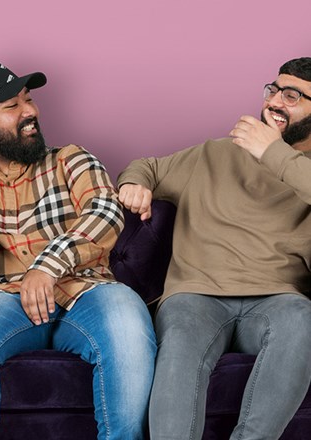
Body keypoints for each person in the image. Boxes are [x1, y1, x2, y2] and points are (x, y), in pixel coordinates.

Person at [117, 57, 311, 440]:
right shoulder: (216, 153)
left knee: (302, 320)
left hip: (278, 300)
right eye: (273, 90)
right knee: (181, 341)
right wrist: (134, 183)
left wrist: (272, 152)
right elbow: (147, 167)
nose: (274, 102)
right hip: (196, 295)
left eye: (292, 96)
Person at [0, 59, 156, 440]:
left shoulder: (69, 158)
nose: (30, 112)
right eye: (12, 107)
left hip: (88, 292)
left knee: (128, 329)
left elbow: (105, 210)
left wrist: (46, 267)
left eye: (28, 100)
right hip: (4, 299)